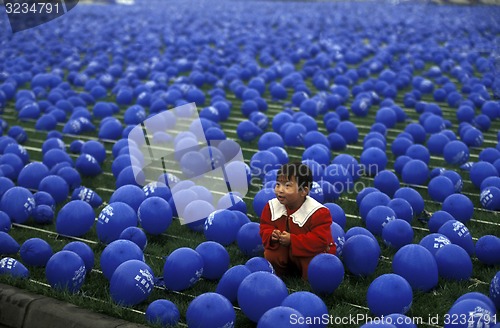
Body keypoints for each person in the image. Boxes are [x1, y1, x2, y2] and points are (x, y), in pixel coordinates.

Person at [259, 162, 336, 281]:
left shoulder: (318, 213)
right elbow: (265, 226)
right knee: (271, 254)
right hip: (287, 251)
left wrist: (292, 240)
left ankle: (309, 280)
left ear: (304, 191)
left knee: (313, 262)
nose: (280, 190)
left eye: (287, 186)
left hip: (311, 251)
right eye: (278, 184)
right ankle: (279, 275)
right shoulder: (271, 207)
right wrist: (271, 235)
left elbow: (320, 241)